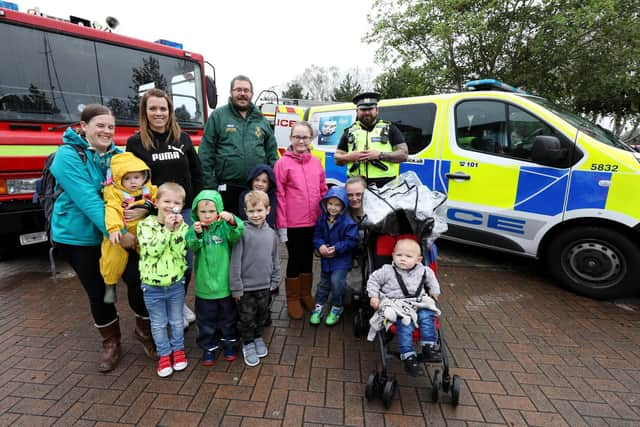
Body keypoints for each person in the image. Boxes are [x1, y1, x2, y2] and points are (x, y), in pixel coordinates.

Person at [50, 104, 155, 373]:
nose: (107, 131)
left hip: (121, 235)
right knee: (100, 292)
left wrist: (148, 207)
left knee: (139, 279)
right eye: (100, 125)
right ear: (83, 127)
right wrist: (117, 235)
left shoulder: (119, 156)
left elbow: (142, 188)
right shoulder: (66, 156)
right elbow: (88, 200)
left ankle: (144, 330)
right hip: (79, 237)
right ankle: (111, 342)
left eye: (111, 126)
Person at [126, 88, 203, 329]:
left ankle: (178, 303)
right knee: (159, 261)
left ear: (170, 111)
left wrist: (200, 203)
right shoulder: (136, 143)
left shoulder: (183, 138)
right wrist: (147, 207)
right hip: (154, 215)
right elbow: (133, 182)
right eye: (153, 108)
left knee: (186, 262)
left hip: (186, 211)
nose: (158, 113)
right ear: (145, 112)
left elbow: (196, 173)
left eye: (163, 108)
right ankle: (165, 309)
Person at [199, 75, 278, 214]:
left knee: (252, 231)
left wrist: (271, 183)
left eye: (246, 90)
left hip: (256, 190)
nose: (242, 94)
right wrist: (210, 186)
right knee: (228, 230)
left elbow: (272, 154)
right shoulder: (218, 116)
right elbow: (206, 153)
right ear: (231, 92)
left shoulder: (261, 120)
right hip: (226, 188)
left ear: (251, 94)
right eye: (238, 90)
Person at [274, 121, 327, 320]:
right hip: (293, 224)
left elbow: (323, 189)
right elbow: (279, 195)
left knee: (308, 259)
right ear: (290, 139)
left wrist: (325, 217)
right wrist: (282, 225)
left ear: (311, 139)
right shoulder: (282, 163)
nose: (301, 141)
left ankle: (306, 294)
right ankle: (293, 298)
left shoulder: (316, 162)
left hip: (313, 221)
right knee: (295, 260)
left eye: (305, 137)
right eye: (297, 137)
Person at [366, 239, 441, 377]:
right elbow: (373, 281)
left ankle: (428, 346)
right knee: (405, 324)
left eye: (408, 256)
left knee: (427, 315)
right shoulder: (387, 271)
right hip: (399, 306)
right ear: (393, 255)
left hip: (419, 302)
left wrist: (435, 293)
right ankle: (408, 356)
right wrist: (374, 296)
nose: (402, 259)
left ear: (418, 260)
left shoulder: (424, 271)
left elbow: (432, 282)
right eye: (399, 255)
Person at [186, 189, 244, 366]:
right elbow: (192, 246)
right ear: (196, 212)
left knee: (228, 318)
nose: (207, 215)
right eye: (202, 212)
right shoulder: (194, 229)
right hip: (205, 288)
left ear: (219, 210)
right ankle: (208, 347)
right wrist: (196, 235)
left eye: (212, 211)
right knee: (206, 320)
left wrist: (232, 220)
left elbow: (237, 234)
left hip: (224, 285)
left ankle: (229, 343)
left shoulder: (224, 227)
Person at [137, 182, 189, 377]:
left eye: (176, 202)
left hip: (175, 284)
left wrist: (175, 230)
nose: (171, 205)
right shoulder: (145, 225)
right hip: (152, 286)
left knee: (176, 321)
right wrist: (166, 230)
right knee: (158, 323)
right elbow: (152, 251)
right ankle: (164, 355)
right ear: (156, 202)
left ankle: (178, 350)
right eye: (167, 201)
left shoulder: (182, 226)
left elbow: (179, 253)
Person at [229, 191, 281, 366]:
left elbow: (275, 257)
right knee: (246, 318)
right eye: (251, 211)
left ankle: (257, 336)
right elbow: (235, 261)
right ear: (245, 211)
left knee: (261, 314)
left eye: (259, 210)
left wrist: (276, 278)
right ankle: (247, 342)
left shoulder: (271, 233)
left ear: (268, 210)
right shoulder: (242, 232)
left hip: (264, 286)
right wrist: (236, 287)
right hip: (246, 288)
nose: (256, 215)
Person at [100, 152, 157, 304]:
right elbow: (112, 210)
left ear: (144, 177)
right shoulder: (115, 193)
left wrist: (150, 206)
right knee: (112, 256)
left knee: (152, 253)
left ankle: (155, 280)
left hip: (144, 231)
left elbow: (161, 201)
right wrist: (114, 229)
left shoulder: (149, 190)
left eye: (136, 177)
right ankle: (110, 284)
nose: (132, 182)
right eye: (127, 178)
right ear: (119, 179)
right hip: (121, 231)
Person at [334, 92, 408, 187]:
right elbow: (337, 159)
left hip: (385, 187)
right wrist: (349, 157)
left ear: (377, 110)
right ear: (357, 111)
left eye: (370, 109)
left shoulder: (390, 128)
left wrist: (380, 155)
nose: (367, 112)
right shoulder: (349, 132)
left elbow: (404, 155)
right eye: (363, 109)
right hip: (357, 187)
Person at [310, 186, 359, 326]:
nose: (333, 207)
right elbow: (317, 236)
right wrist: (320, 246)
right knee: (323, 284)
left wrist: (336, 248)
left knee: (337, 283)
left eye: (337, 205)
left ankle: (337, 306)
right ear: (325, 203)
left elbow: (352, 241)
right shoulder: (322, 220)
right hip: (327, 259)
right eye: (330, 203)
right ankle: (319, 307)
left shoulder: (348, 222)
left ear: (343, 206)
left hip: (341, 260)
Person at [237, 164, 277, 229]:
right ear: (252, 180)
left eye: (264, 181)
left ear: (269, 184)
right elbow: (243, 216)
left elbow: (271, 218)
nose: (260, 184)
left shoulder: (273, 198)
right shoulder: (244, 196)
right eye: (257, 180)